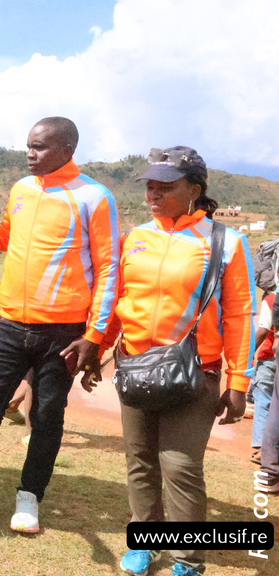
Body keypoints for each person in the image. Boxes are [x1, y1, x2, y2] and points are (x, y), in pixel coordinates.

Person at [0, 117, 120, 534]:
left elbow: (110, 268)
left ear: (66, 150)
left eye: (38, 147)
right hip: (9, 325)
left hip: (64, 332)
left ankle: (29, 499)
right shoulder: (21, 188)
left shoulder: (94, 196)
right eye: (28, 146)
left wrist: (94, 335)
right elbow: (4, 236)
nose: (29, 153)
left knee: (49, 416)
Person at [96, 147, 254, 576]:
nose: (152, 192)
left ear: (194, 191)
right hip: (135, 367)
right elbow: (118, 302)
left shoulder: (225, 243)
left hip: (194, 373)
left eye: (165, 186)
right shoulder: (135, 237)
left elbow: (240, 315)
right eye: (149, 184)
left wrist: (238, 384)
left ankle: (187, 557)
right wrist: (98, 349)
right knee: (140, 460)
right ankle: (144, 542)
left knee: (181, 466)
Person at [250, 292, 276, 465]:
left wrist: (248, 352)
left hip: (270, 358)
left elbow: (263, 330)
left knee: (263, 401)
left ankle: (261, 448)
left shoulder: (271, 300)